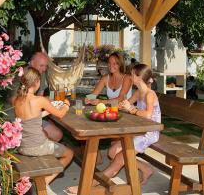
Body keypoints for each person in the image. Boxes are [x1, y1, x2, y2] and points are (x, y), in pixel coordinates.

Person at [66, 63, 160, 194]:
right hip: (139, 129)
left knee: (120, 157)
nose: (130, 76)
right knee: (112, 152)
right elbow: (124, 104)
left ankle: (86, 187)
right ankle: (145, 169)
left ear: (138, 77)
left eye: (132, 74)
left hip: (149, 132)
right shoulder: (139, 92)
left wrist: (132, 110)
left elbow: (148, 114)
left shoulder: (150, 94)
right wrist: (112, 105)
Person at [14, 67, 73, 193]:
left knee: (46, 136)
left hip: (22, 147)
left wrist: (46, 111)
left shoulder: (17, 100)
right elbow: (60, 114)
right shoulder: (39, 100)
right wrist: (66, 105)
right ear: (36, 82)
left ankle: (41, 182)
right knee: (69, 153)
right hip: (37, 147)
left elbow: (31, 118)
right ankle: (44, 182)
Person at [8, 52, 64, 142]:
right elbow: (14, 101)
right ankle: (38, 150)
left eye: (46, 66)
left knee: (57, 134)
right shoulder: (20, 75)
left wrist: (52, 98)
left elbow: (39, 97)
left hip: (34, 117)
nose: (44, 69)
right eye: (41, 65)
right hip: (16, 118)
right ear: (32, 63)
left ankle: (43, 151)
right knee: (44, 136)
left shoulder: (41, 74)